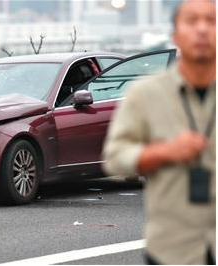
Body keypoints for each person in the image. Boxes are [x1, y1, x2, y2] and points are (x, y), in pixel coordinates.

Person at [102, 0, 215, 264]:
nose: (202, 29)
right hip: (171, 247)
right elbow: (115, 159)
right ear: (175, 36)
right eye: (191, 21)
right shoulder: (145, 94)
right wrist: (165, 152)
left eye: (211, 21)